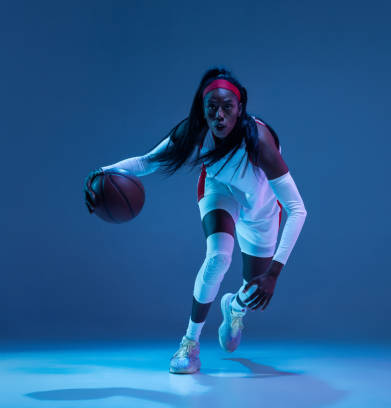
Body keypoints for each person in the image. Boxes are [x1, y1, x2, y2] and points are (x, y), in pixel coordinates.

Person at [83, 67, 308, 374]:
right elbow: (147, 161)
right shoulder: (195, 132)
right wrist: (101, 173)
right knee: (218, 257)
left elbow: (297, 209)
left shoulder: (259, 143)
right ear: (203, 110)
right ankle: (190, 344)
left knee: (255, 285)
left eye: (227, 107)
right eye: (211, 107)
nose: (219, 115)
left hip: (261, 205)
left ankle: (234, 307)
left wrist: (274, 274)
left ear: (240, 108)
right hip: (220, 191)